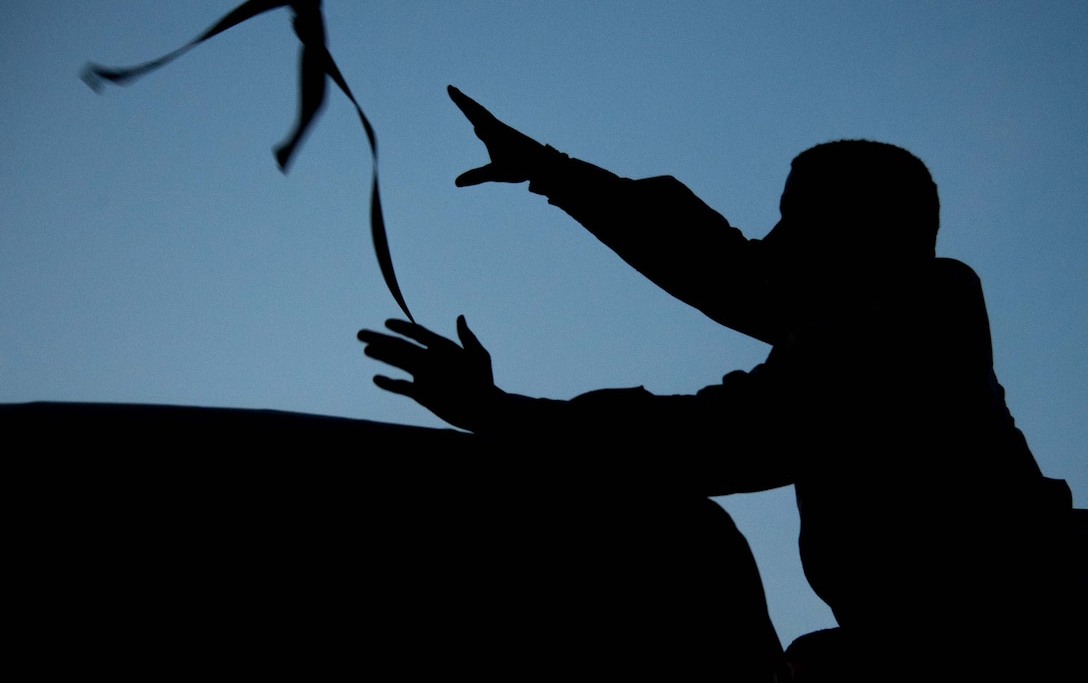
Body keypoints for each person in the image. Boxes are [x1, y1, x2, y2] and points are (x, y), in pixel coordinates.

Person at [358, 86, 1083, 681]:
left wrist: (499, 411)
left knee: (684, 552)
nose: (771, 242)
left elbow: (707, 436)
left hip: (1014, 646)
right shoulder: (865, 310)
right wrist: (551, 170)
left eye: (796, 223)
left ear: (863, 244)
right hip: (934, 653)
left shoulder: (913, 323)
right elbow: (723, 267)